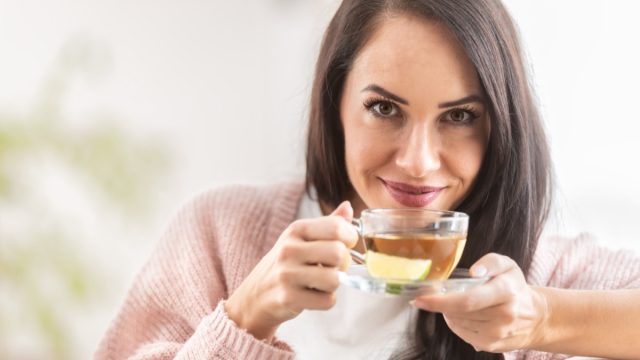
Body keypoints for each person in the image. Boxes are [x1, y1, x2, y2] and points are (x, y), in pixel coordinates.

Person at [95, 0, 640, 359]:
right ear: (335, 104)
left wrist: (541, 318)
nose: (419, 161)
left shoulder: (536, 267)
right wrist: (244, 319)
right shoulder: (219, 235)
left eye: (459, 116)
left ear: (499, 126)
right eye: (384, 108)